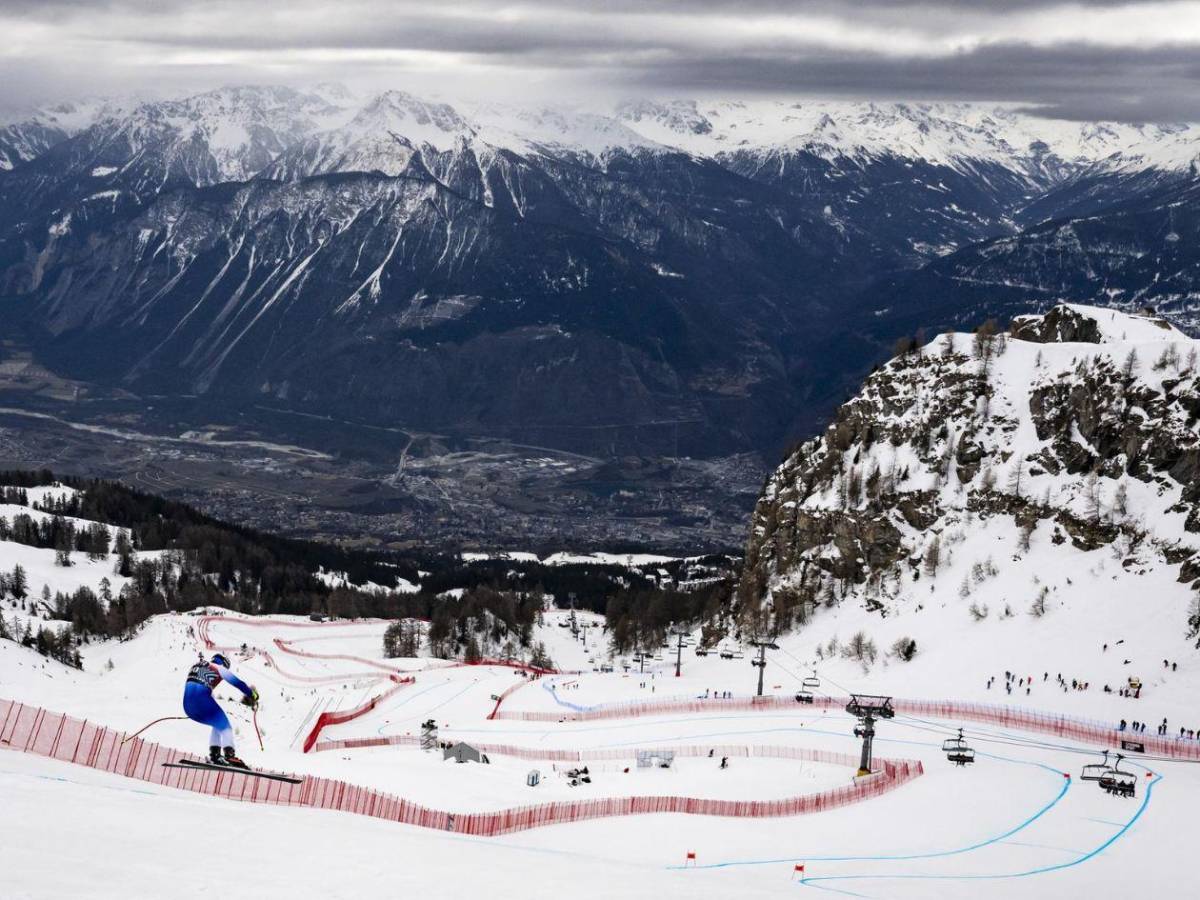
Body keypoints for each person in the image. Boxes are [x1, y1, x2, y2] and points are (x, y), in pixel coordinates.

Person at [183, 653, 259, 768]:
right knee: (226, 727)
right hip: (201, 701)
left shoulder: (197, 665)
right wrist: (252, 694)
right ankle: (230, 756)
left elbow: (196, 684)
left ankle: (215, 754)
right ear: (224, 663)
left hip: (188, 706)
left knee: (217, 724)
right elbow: (238, 683)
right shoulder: (219, 668)